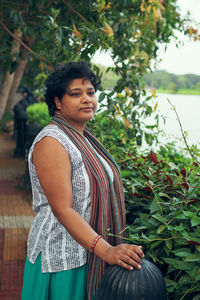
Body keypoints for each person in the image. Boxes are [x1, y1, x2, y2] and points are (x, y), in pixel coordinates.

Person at [21, 61, 144, 300]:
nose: (87, 99)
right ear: (57, 102)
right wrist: (107, 250)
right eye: (76, 94)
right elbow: (63, 209)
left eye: (90, 92)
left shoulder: (84, 137)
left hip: (88, 252)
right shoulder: (52, 141)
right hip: (60, 259)